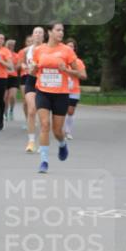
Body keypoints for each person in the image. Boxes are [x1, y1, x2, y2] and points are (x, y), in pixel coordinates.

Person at [30, 22, 85, 173]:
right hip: (43, 91)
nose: (61, 33)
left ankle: (62, 144)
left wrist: (66, 70)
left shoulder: (67, 51)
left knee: (57, 131)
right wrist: (33, 70)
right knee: (45, 125)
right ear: (50, 32)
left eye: (62, 30)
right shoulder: (39, 50)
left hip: (61, 94)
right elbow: (33, 73)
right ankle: (44, 161)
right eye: (58, 30)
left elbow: (81, 74)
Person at [18, 26, 46, 152]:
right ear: (33, 35)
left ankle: (42, 142)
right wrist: (26, 67)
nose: (38, 35)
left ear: (43, 36)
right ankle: (31, 141)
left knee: (42, 113)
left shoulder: (48, 49)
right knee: (31, 110)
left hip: (44, 81)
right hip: (31, 80)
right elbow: (21, 63)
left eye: (40, 33)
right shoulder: (26, 50)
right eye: (36, 33)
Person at [65, 38, 87, 139]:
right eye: (68, 46)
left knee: (70, 111)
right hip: (62, 89)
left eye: (72, 46)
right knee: (61, 111)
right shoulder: (60, 60)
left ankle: (68, 131)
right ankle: (61, 130)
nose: (70, 48)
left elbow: (84, 76)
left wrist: (73, 72)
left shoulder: (78, 62)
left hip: (74, 90)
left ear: (74, 49)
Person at [4, 38, 20, 121]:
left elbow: (16, 67)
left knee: (12, 96)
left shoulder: (16, 55)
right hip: (4, 77)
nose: (11, 47)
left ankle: (11, 110)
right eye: (9, 45)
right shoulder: (3, 55)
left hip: (13, 77)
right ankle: (5, 112)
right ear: (6, 45)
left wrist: (11, 66)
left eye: (13, 45)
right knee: (5, 97)